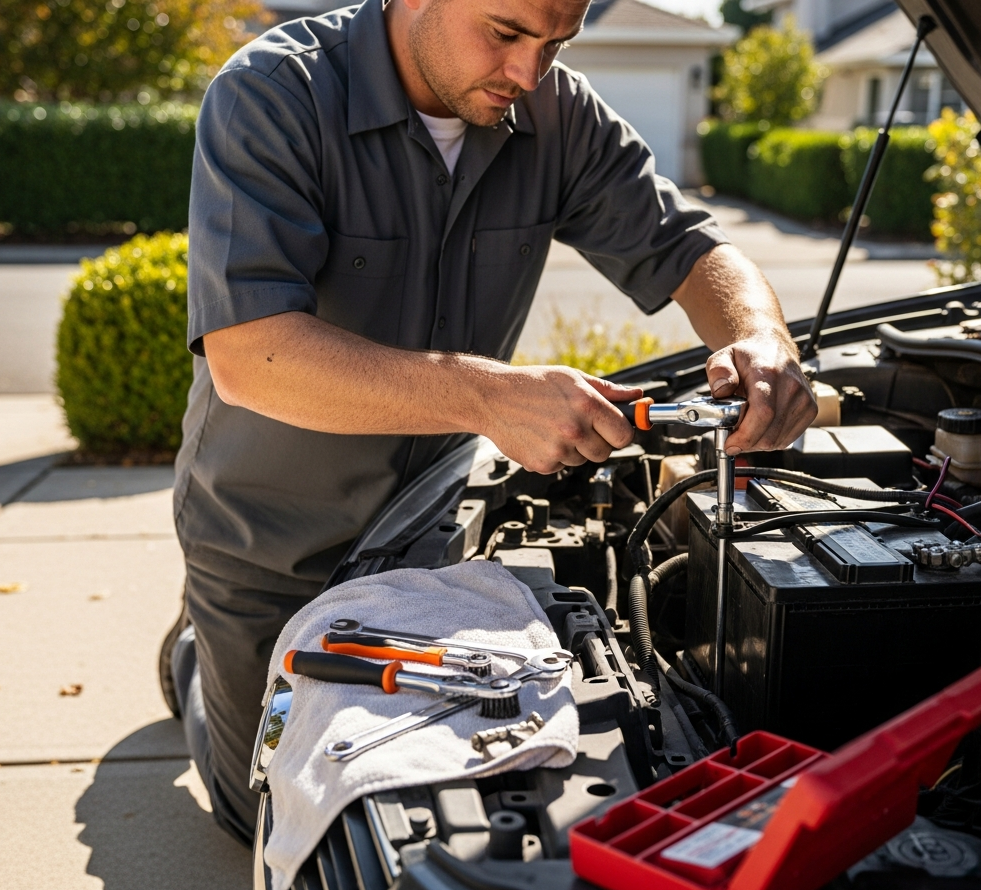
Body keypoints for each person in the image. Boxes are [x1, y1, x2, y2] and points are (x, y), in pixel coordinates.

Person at [163, 0, 818, 844]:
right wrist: (488, 396)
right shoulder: (272, 93)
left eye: (557, 42)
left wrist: (760, 336)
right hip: (268, 541)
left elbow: (691, 249)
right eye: (506, 33)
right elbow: (252, 356)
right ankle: (193, 656)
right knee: (270, 817)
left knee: (410, 796)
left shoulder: (557, 113)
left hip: (432, 536)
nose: (529, 74)